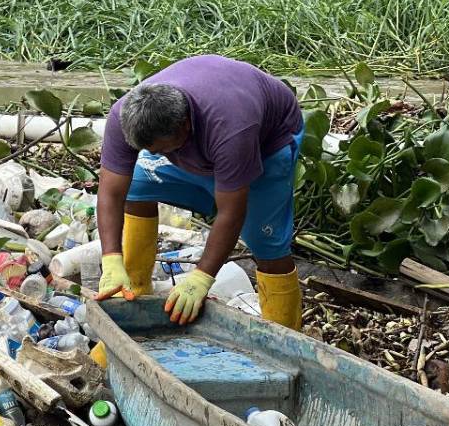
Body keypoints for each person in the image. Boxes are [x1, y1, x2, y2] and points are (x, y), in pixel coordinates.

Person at [92, 55, 305, 329]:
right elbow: (111, 192)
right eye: (147, 150)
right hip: (199, 142)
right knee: (137, 187)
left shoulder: (232, 127)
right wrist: (111, 258)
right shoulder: (125, 116)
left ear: (184, 126)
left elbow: (231, 212)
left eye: (158, 149)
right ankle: (134, 294)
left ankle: (286, 338)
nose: (152, 155)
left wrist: (201, 277)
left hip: (267, 144)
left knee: (267, 244)